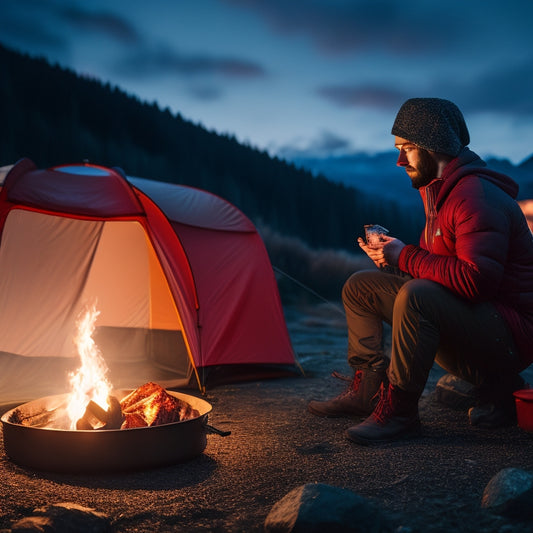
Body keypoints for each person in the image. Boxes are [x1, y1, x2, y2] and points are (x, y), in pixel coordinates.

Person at [307, 97, 533, 445]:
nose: (400, 160)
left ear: (436, 146)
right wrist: (391, 258)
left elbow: (475, 281)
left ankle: (400, 412)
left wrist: (405, 256)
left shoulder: (474, 197)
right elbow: (438, 272)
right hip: (480, 324)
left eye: (408, 148)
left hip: (512, 338)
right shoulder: (439, 193)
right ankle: (367, 389)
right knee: (360, 287)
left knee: (417, 296)